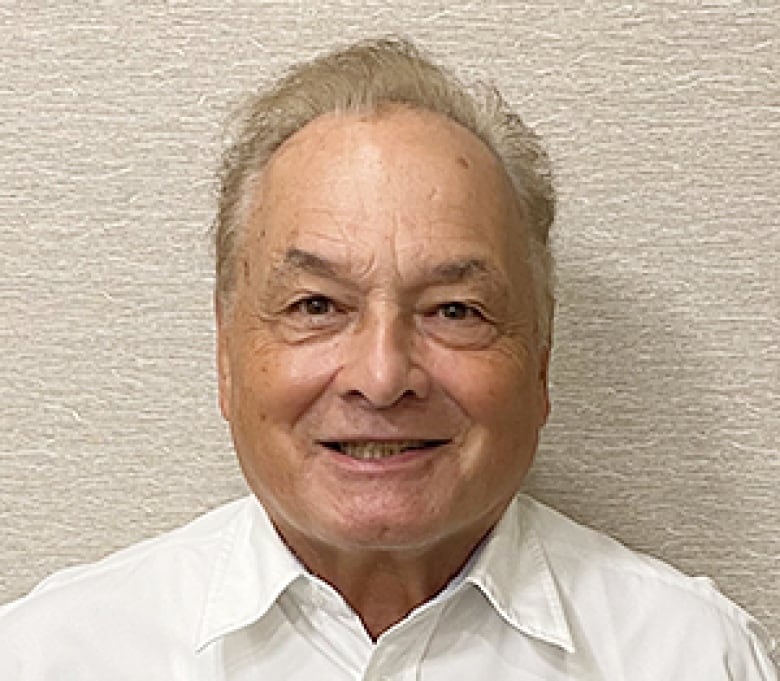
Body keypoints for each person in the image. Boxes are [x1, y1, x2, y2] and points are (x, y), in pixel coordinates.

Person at [0, 37, 775, 680]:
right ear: (227, 351)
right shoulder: (52, 655)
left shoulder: (695, 655)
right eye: (316, 306)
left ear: (540, 358)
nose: (381, 376)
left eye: (454, 311)